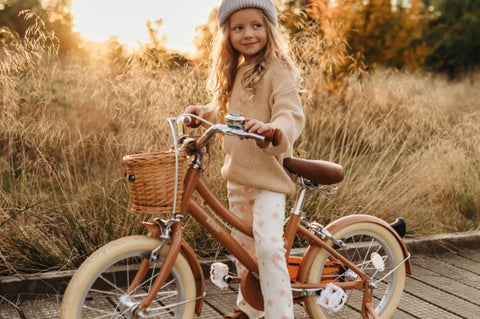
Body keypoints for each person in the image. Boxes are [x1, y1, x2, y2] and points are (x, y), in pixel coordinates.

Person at [185, 0, 305, 318]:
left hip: (267, 179)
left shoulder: (278, 69)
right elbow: (231, 116)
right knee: (244, 251)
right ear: (227, 34)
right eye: (238, 28)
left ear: (269, 29)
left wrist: (274, 130)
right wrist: (205, 114)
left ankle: (280, 315)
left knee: (267, 248)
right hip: (238, 179)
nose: (248, 33)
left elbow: (290, 113)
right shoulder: (238, 71)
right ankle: (250, 310)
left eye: (256, 25)